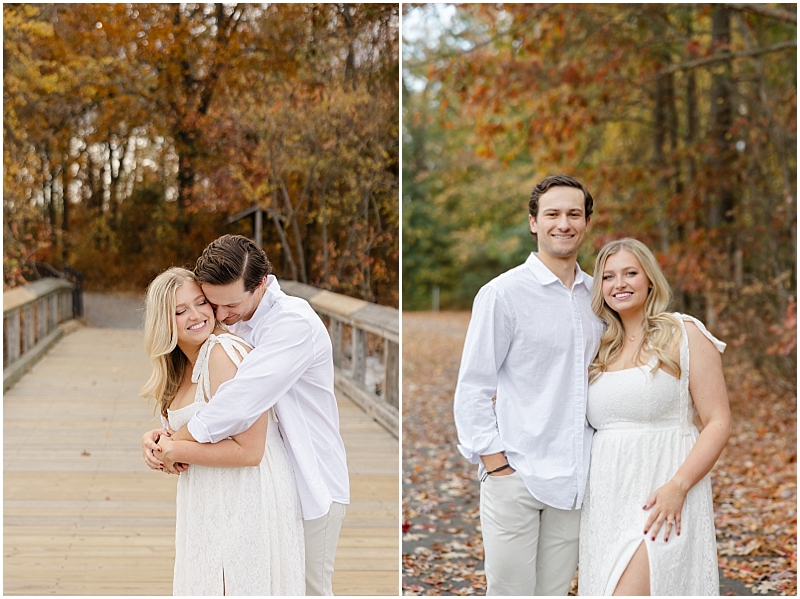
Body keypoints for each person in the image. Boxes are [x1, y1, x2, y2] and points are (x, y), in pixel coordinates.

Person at [142, 235, 349, 596]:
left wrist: (176, 444)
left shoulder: (292, 325)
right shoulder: (232, 320)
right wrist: (159, 436)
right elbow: (202, 400)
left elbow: (238, 402)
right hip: (260, 486)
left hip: (312, 481)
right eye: (213, 302)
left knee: (309, 590)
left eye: (226, 305)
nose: (219, 315)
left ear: (262, 284)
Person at [453, 174, 604, 595]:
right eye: (552, 213)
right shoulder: (503, 294)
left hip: (574, 477)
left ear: (587, 222)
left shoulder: (599, 298)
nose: (564, 223)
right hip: (515, 474)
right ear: (534, 222)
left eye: (574, 214)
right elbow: (473, 387)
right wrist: (496, 465)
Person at [578, 238, 731, 596]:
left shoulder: (684, 333)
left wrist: (678, 486)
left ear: (650, 279)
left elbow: (719, 421)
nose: (620, 284)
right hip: (606, 499)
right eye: (609, 277)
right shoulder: (599, 347)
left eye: (630, 273)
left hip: (665, 489)